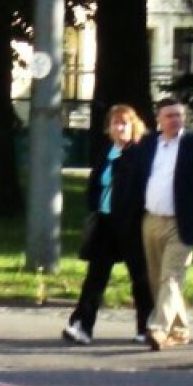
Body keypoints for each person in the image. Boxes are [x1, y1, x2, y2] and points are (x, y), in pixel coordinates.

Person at [136, 96, 193, 351]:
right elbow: (138, 178)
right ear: (159, 120)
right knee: (158, 279)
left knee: (171, 278)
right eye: (169, 116)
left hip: (183, 223)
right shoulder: (148, 144)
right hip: (152, 220)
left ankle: (158, 328)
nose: (175, 120)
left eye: (179, 115)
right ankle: (179, 330)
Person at [62, 104, 153, 345]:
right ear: (109, 128)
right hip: (105, 221)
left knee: (140, 277)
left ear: (133, 126)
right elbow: (95, 184)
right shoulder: (107, 152)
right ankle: (82, 325)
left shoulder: (139, 153)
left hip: (131, 224)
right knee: (95, 276)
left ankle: (146, 327)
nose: (120, 127)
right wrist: (93, 206)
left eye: (124, 123)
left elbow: (143, 188)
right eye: (115, 123)